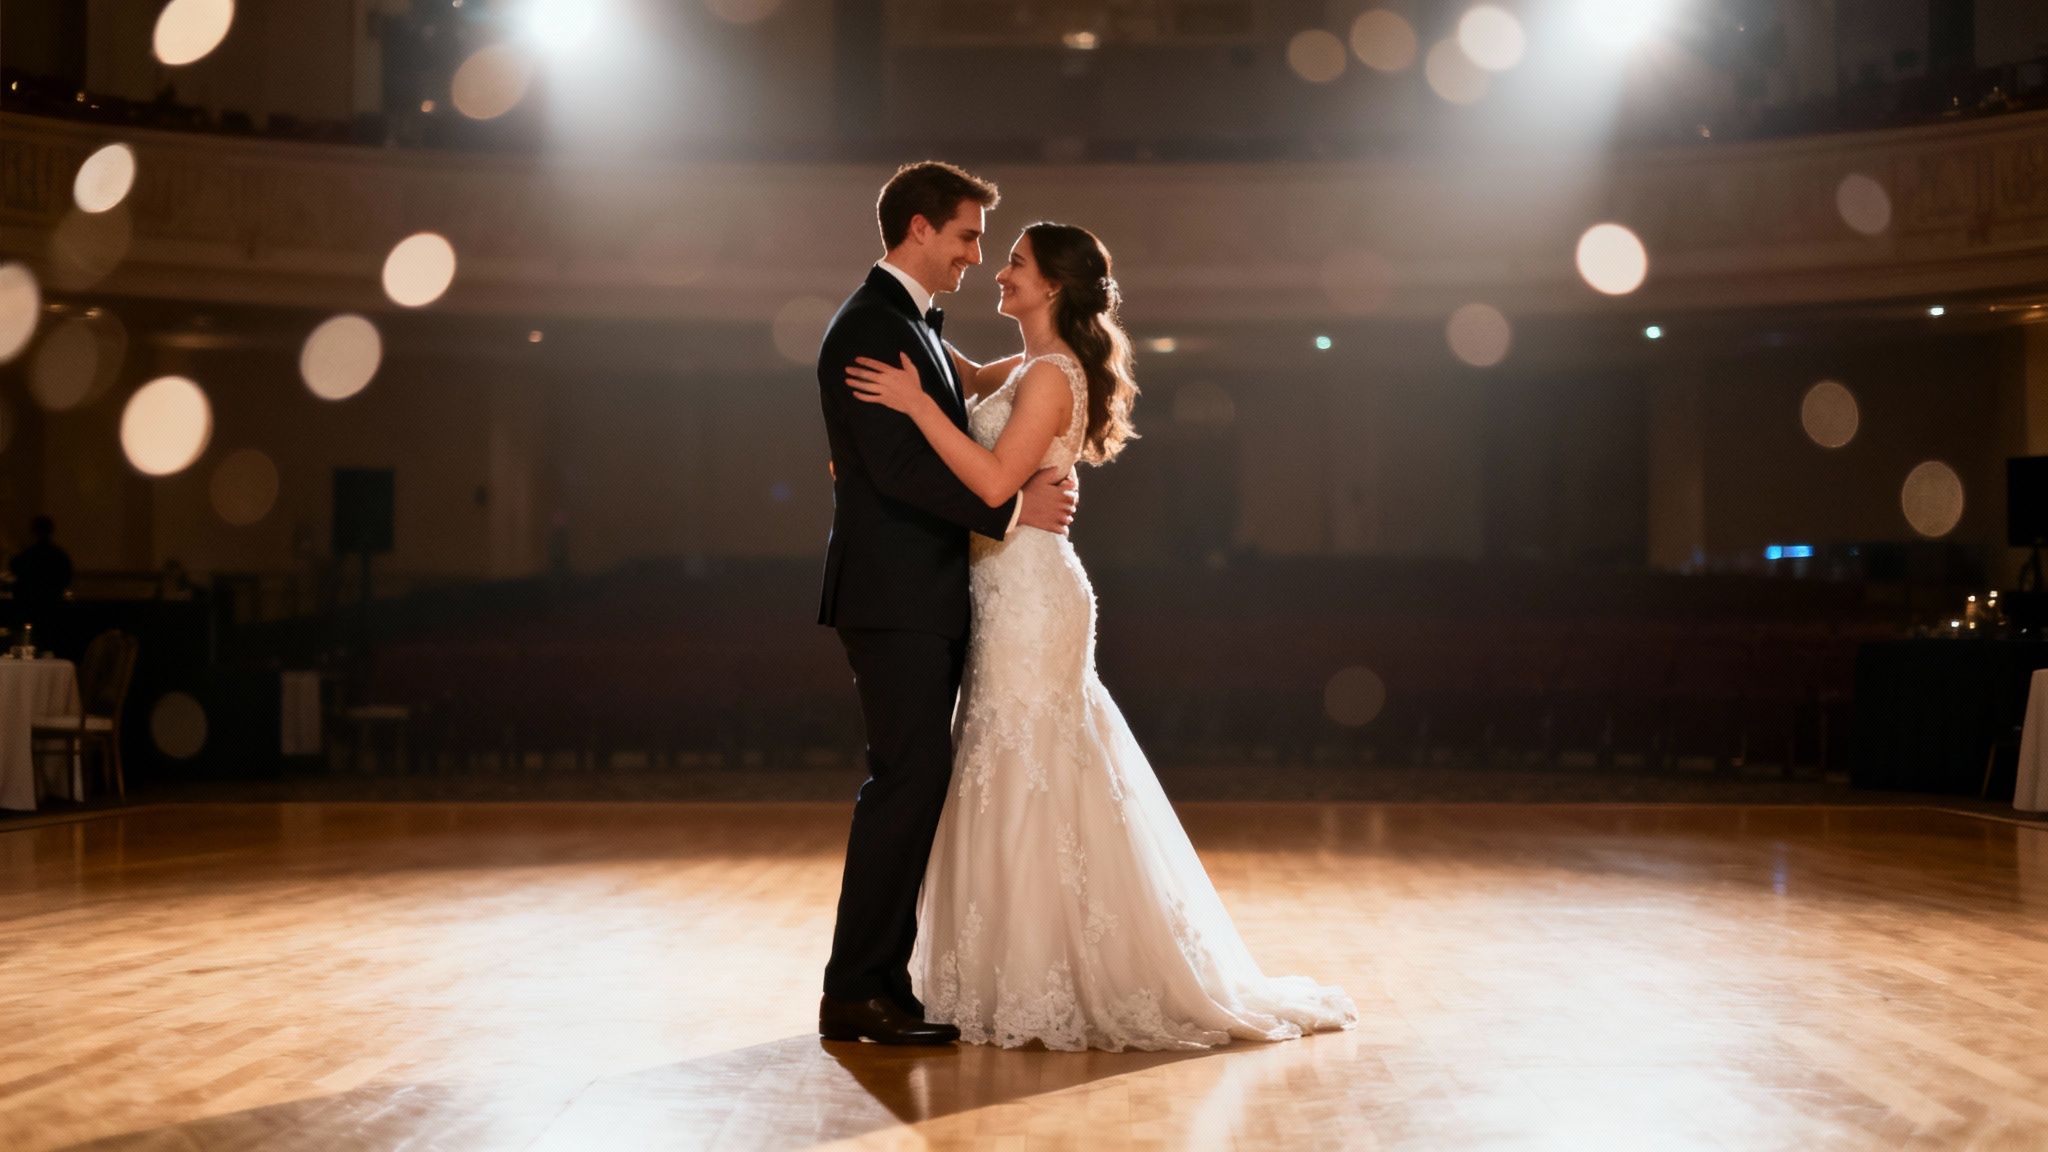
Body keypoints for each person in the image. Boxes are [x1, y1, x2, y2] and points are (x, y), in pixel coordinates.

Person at [843, 221, 1357, 1051]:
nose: (998, 272)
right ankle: (1008, 968)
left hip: (1031, 592)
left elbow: (990, 477)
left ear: (1051, 286)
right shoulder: (1028, 366)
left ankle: (1064, 971)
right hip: (1002, 587)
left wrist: (908, 409)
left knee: (1031, 763)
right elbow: (965, 380)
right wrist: (902, 396)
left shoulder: (1052, 375)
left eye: (1014, 263)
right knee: (1002, 762)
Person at [814, 161, 1081, 1045]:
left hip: (925, 591)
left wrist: (1049, 362)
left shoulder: (912, 325)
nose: (976, 255)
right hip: (895, 596)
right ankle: (857, 990)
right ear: (919, 228)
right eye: (967, 235)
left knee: (915, 780)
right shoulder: (869, 327)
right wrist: (1011, 506)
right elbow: (896, 469)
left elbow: (979, 387)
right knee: (907, 779)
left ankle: (879, 984)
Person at [9, 515, 74, 647]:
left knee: (26, 645)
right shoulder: (59, 556)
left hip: (27, 609)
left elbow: (14, 567)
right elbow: (66, 578)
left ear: (33, 531)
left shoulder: (28, 555)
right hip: (52, 610)